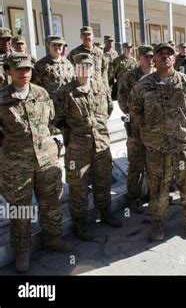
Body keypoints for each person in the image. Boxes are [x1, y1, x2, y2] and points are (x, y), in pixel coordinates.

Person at [0, 53, 73, 273]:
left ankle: (52, 237)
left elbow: (51, 119)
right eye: (19, 69)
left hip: (46, 158)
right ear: (8, 71)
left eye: (28, 69)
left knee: (50, 201)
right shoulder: (2, 98)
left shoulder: (42, 93)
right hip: (16, 164)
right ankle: (22, 249)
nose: (24, 73)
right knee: (20, 208)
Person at [129, 42, 186, 241]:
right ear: (153, 59)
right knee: (158, 188)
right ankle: (157, 223)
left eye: (169, 54)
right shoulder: (143, 85)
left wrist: (184, 124)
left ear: (174, 59)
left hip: (182, 145)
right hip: (156, 148)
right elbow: (135, 111)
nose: (165, 56)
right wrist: (150, 130)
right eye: (160, 53)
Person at [53, 53, 121, 242]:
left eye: (89, 66)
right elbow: (56, 118)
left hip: (101, 145)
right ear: (76, 68)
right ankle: (80, 223)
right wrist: (75, 131)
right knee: (78, 186)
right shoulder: (66, 92)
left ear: (92, 68)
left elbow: (107, 110)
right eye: (82, 66)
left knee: (103, 180)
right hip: (78, 148)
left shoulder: (100, 88)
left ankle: (105, 212)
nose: (86, 69)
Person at [117, 45, 156, 214]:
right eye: (146, 56)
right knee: (136, 165)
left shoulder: (159, 75)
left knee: (155, 165)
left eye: (152, 56)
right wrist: (138, 116)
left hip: (157, 130)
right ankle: (134, 199)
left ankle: (155, 195)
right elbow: (122, 102)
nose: (150, 59)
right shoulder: (129, 77)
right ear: (139, 58)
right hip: (137, 129)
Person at [32, 36, 75, 100]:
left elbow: (73, 81)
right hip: (50, 102)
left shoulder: (68, 63)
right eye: (54, 45)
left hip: (67, 102)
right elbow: (34, 86)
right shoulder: (41, 64)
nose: (57, 47)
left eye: (60, 45)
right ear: (48, 46)